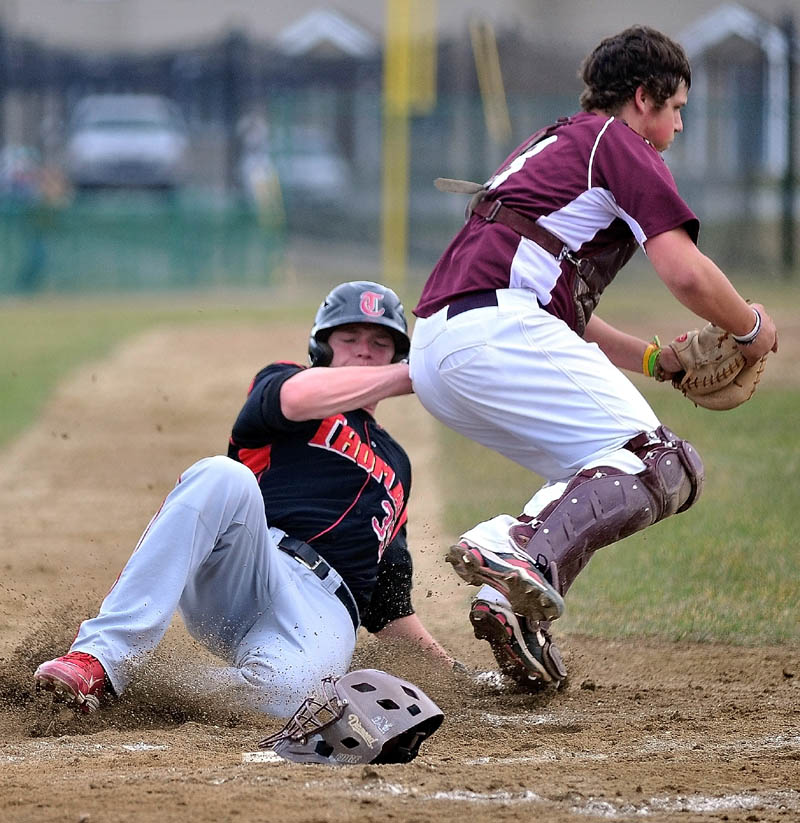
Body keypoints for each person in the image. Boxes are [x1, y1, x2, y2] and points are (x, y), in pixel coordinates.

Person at [409, 26, 778, 690]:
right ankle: (514, 548)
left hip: (444, 344)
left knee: (596, 468)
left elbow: (566, 307)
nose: (680, 123)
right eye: (677, 107)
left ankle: (511, 606)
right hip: (494, 329)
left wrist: (657, 359)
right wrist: (750, 326)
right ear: (643, 97)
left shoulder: (558, 140)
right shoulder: (619, 144)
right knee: (662, 462)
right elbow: (685, 273)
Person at [35, 280, 455, 717]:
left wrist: (452, 672)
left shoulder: (398, 464)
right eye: (348, 338)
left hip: (324, 611)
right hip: (251, 563)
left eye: (380, 341)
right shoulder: (284, 382)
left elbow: (388, 604)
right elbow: (297, 398)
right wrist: (418, 375)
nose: (364, 350)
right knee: (222, 474)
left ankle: (142, 692)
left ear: (396, 354)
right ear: (321, 348)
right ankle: (99, 659)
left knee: (296, 699)